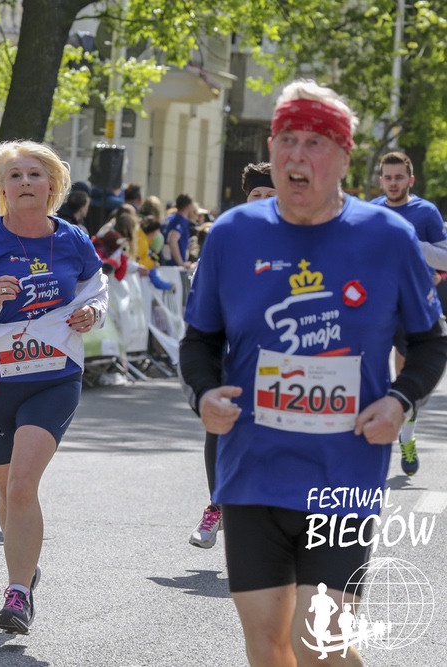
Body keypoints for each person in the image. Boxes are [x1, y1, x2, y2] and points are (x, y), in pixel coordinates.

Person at [180, 80, 447, 665]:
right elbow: (200, 340)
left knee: (319, 643)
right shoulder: (232, 234)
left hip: (343, 474)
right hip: (252, 471)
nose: (297, 156)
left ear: (345, 158)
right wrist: (203, 393)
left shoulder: (388, 238)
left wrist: (400, 400)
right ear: (271, 149)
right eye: (287, 140)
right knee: (267, 642)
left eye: (315, 143)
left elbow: (430, 343)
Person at [0, 140, 107, 635]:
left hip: (55, 378)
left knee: (23, 484)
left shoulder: (73, 238)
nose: (26, 182)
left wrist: (92, 312)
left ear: (52, 184)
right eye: (15, 175)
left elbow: (97, 290)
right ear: (0, 188)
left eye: (35, 174)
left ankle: (18, 593)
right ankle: (25, 565)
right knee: (7, 492)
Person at [188, 162, 276, 550]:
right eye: (256, 195)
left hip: (286, 363)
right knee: (220, 424)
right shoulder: (226, 238)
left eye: (271, 195)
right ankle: (217, 506)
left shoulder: (301, 239)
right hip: (233, 356)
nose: (262, 200)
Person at [372, 151, 447, 476]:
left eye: (398, 177)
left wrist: (410, 244)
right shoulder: (372, 212)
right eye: (388, 178)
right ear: (381, 180)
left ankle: (407, 438)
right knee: (370, 375)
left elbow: (445, 258)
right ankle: (369, 445)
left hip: (411, 306)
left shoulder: (426, 212)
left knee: (405, 377)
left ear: (410, 180)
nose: (393, 183)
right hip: (374, 305)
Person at [161, 193, 192, 269]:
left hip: (164, 263)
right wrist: (181, 263)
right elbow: (172, 240)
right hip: (174, 266)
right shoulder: (181, 221)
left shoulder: (169, 218)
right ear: (188, 207)